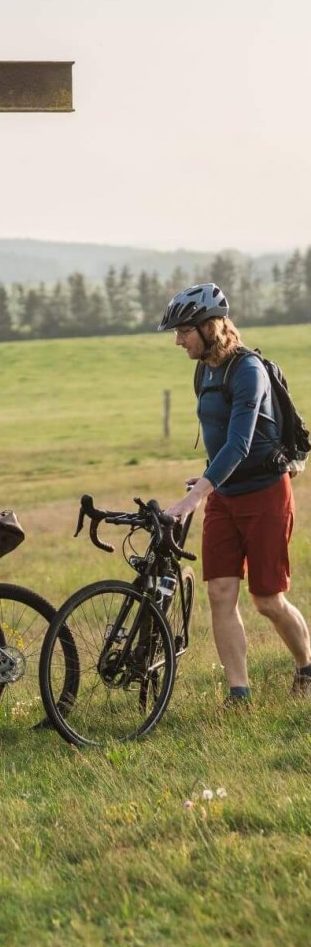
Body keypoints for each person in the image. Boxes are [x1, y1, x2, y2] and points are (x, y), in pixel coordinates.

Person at [158, 284, 311, 705]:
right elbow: (219, 439)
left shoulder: (248, 371)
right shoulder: (203, 370)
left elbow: (241, 442)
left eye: (184, 331)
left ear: (210, 327)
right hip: (225, 495)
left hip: (265, 494)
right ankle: (238, 694)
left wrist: (197, 495)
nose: (178, 340)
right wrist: (210, 479)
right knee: (220, 592)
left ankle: (307, 667)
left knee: (267, 599)